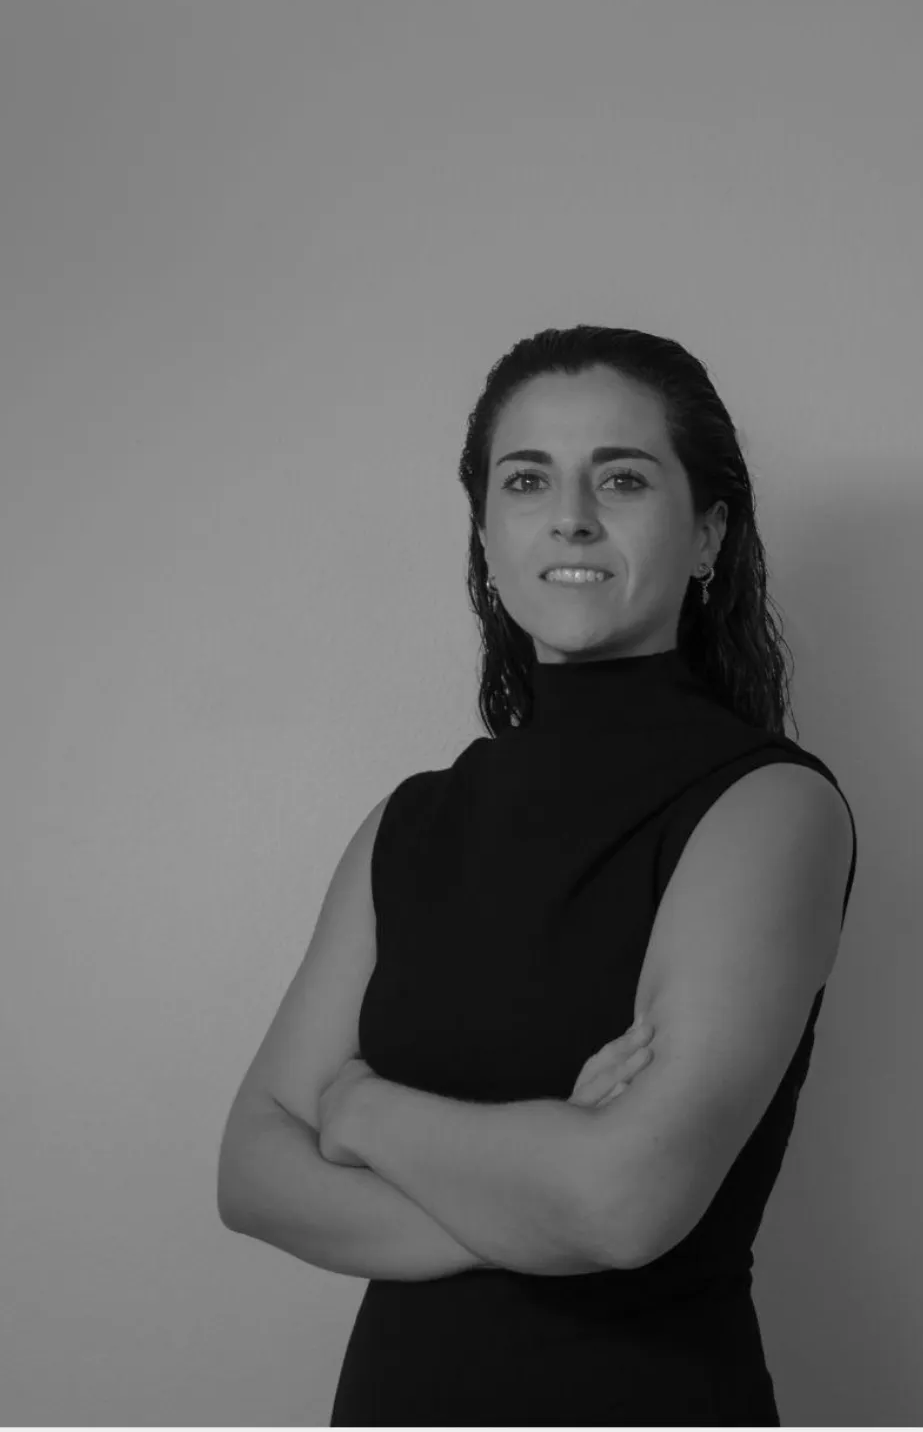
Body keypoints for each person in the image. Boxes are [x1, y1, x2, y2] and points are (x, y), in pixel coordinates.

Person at [220, 325, 858, 1426]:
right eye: (527, 480)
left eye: (622, 477)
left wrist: (360, 1110)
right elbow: (250, 1173)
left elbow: (622, 1206)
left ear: (708, 533)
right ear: (486, 530)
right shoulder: (407, 826)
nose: (571, 516)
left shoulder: (769, 808)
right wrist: (541, 1192)